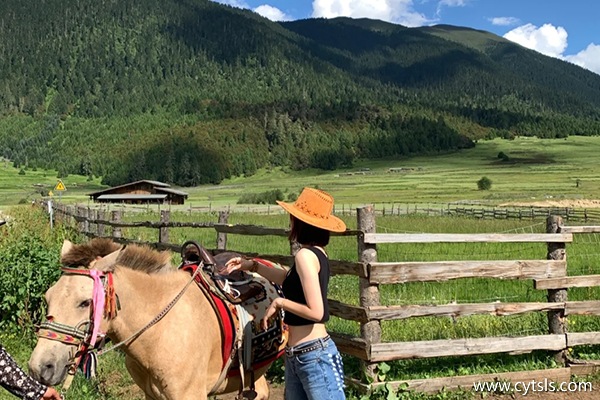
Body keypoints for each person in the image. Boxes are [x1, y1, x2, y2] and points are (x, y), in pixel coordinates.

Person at [224, 187, 346, 400]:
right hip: (302, 355)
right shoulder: (316, 253)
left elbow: (317, 311)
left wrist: (280, 302)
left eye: (293, 218)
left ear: (300, 222)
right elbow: (288, 280)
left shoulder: (304, 256)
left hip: (313, 356)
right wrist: (251, 265)